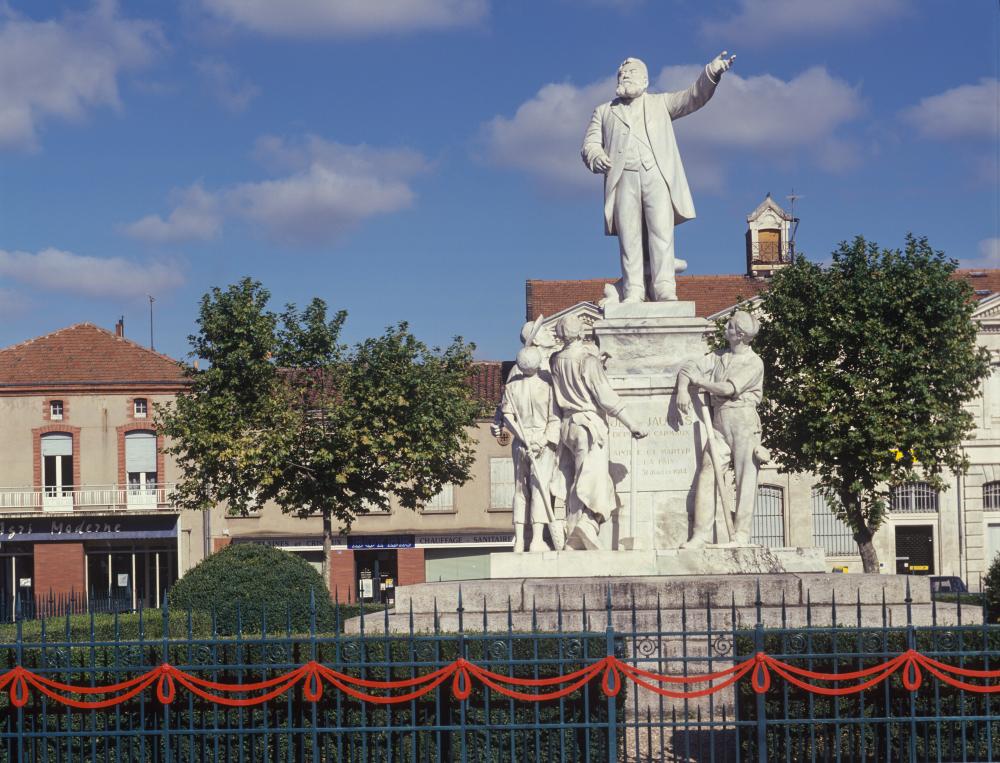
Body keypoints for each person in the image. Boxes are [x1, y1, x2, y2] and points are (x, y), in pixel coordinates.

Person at [581, 52, 734, 303]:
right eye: (622, 74)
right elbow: (589, 144)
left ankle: (664, 287)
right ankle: (634, 291)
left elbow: (693, 96)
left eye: (632, 73)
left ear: (645, 80)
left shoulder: (661, 103)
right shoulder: (604, 111)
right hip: (623, 179)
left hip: (656, 175)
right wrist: (596, 156)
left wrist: (711, 72)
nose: (626, 76)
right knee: (629, 238)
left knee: (661, 233)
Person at [548, 315, 647, 550]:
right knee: (595, 478)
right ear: (581, 333)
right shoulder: (586, 360)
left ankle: (574, 528)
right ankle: (588, 524)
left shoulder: (555, 360)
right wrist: (632, 423)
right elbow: (605, 397)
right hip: (588, 426)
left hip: (568, 425)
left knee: (578, 477)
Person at [676, 310, 769, 547]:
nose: (725, 327)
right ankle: (701, 534)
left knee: (745, 478)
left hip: (744, 421)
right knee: (709, 471)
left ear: (739, 334)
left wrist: (701, 382)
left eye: (729, 325)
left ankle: (741, 534)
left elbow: (728, 389)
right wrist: (683, 389)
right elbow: (689, 366)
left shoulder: (753, 362)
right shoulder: (718, 357)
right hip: (718, 421)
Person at [494, 346, 563, 552]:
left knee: (520, 490)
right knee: (539, 489)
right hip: (541, 442)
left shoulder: (512, 386)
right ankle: (536, 540)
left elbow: (507, 417)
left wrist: (523, 438)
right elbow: (555, 418)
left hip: (521, 442)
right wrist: (541, 441)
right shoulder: (548, 385)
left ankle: (519, 540)